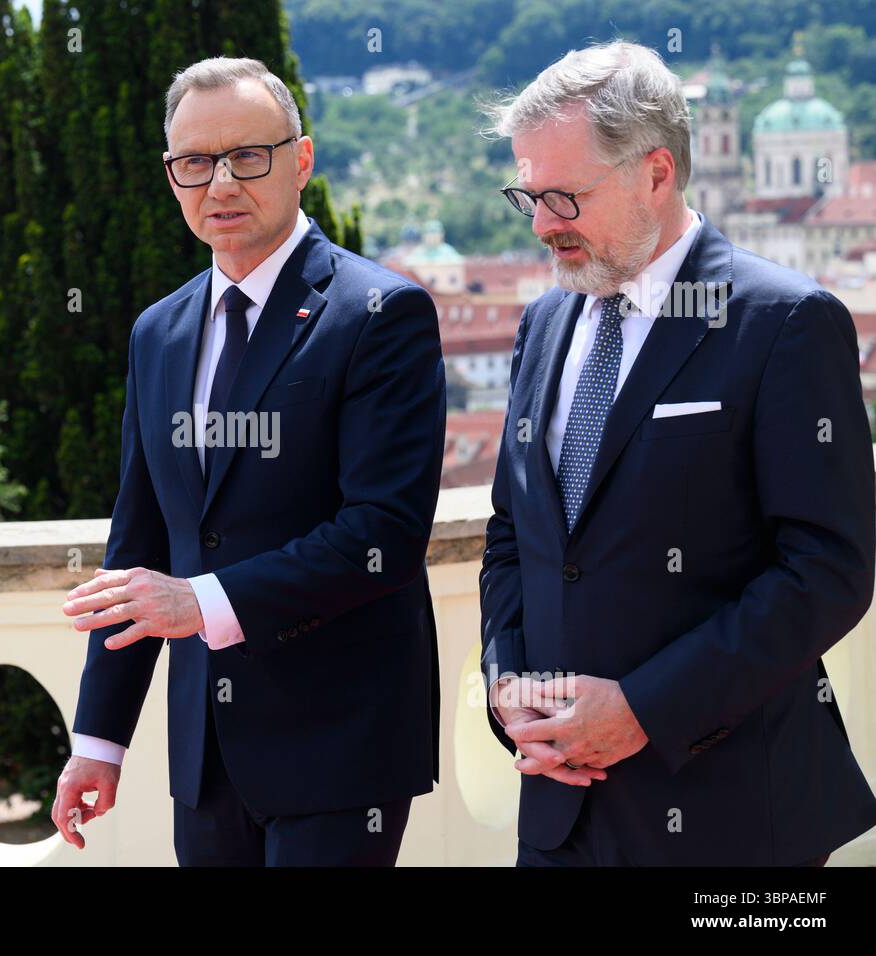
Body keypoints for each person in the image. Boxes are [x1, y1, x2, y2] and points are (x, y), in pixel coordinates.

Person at [478, 41, 876, 866]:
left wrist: (643, 709)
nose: (542, 223)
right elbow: (514, 539)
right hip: (558, 817)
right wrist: (506, 685)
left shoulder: (786, 323)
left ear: (655, 173)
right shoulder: (542, 323)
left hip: (732, 820)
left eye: (563, 196)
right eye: (528, 194)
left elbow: (828, 571)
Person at [51, 56, 446, 866]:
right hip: (205, 756)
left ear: (301, 160)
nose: (220, 183)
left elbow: (385, 533)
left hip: (340, 746)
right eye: (195, 162)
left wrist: (200, 602)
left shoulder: (381, 313)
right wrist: (100, 739)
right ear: (172, 177)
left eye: (247, 156)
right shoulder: (157, 332)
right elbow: (140, 549)